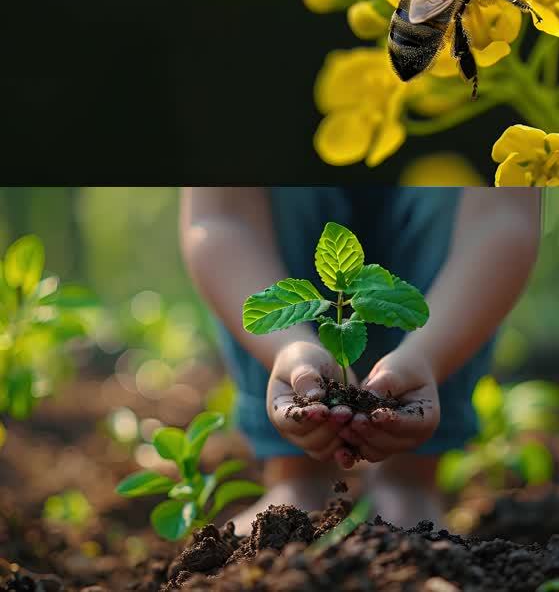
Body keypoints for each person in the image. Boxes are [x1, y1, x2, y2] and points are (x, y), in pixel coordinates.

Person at [179, 187, 540, 533]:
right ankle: (297, 477)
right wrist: (287, 347)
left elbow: (502, 217)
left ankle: (410, 481)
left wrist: (425, 357)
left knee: (449, 175)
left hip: (436, 298)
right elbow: (220, 219)